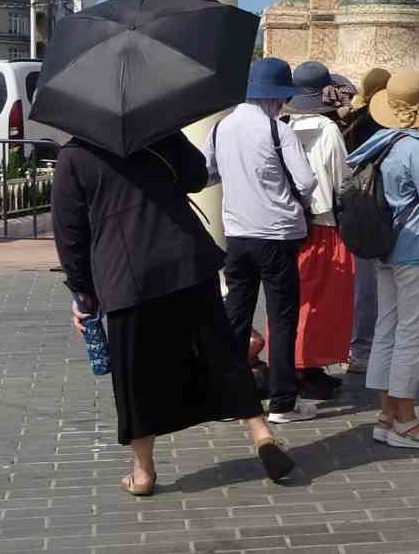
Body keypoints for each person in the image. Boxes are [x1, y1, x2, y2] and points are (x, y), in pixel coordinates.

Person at [55, 130, 295, 494]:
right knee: (222, 354)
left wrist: (82, 294)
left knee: (135, 377)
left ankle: (143, 472)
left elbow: (69, 233)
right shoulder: (157, 130)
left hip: (125, 276)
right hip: (188, 260)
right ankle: (262, 435)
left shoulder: (74, 156)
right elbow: (197, 176)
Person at [348, 70, 419, 449]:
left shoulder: (380, 142)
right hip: (414, 248)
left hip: (383, 246)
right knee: (413, 334)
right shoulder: (417, 145)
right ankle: (407, 419)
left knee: (387, 329)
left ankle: (386, 414)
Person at [204, 58, 319, 424]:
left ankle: (231, 399)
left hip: (237, 235)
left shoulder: (221, 128)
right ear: (277, 97)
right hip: (278, 236)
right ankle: (283, 400)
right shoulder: (277, 131)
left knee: (236, 316)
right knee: (282, 318)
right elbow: (306, 182)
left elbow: (207, 174)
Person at [286, 61, 354, 399]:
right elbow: (342, 179)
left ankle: (299, 365)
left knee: (296, 298)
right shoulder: (327, 130)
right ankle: (307, 366)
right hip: (324, 222)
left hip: (293, 224)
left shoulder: (285, 125)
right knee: (322, 301)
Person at [342, 67, 392, 375]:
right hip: (377, 208)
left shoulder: (352, 120)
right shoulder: (380, 124)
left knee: (362, 282)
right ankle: (365, 347)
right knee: (373, 284)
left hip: (354, 208)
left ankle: (358, 345)